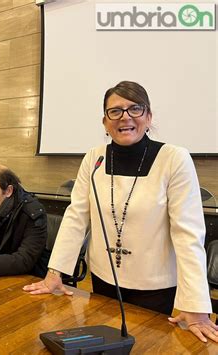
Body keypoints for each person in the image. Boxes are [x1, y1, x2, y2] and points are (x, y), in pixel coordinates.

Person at [24, 81, 217, 343]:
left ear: (148, 116)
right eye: (115, 111)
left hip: (154, 285)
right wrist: (54, 273)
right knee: (103, 342)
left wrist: (195, 306)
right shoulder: (94, 158)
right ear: (105, 121)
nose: (125, 117)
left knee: (146, 345)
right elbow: (76, 217)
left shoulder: (174, 159)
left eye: (134, 109)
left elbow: (188, 234)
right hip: (103, 278)